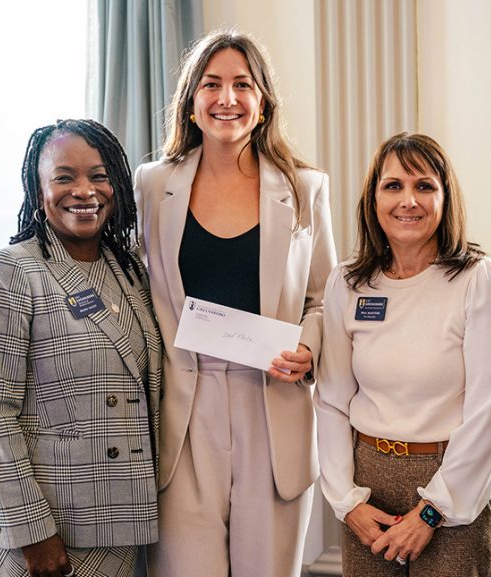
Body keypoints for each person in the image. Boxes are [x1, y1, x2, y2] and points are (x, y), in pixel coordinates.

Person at [134, 30, 336, 577]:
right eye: (212, 84)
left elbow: (324, 300)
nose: (227, 98)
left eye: (242, 84)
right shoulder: (151, 186)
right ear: (191, 102)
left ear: (263, 101)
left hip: (272, 403)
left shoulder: (303, 188)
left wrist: (309, 350)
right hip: (184, 409)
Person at [315, 132, 491, 576]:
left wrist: (434, 510)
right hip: (367, 487)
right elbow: (331, 400)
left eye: (424, 186)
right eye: (393, 186)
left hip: (453, 486)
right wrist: (347, 501)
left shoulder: (478, 280)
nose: (409, 200)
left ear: (446, 198)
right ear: (373, 199)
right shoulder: (347, 283)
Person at [0, 119, 162, 577]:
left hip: (122, 515)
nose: (85, 190)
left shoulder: (129, 270)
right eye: (64, 177)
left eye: (98, 175)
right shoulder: (11, 269)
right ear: (38, 192)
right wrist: (32, 530)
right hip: (49, 526)